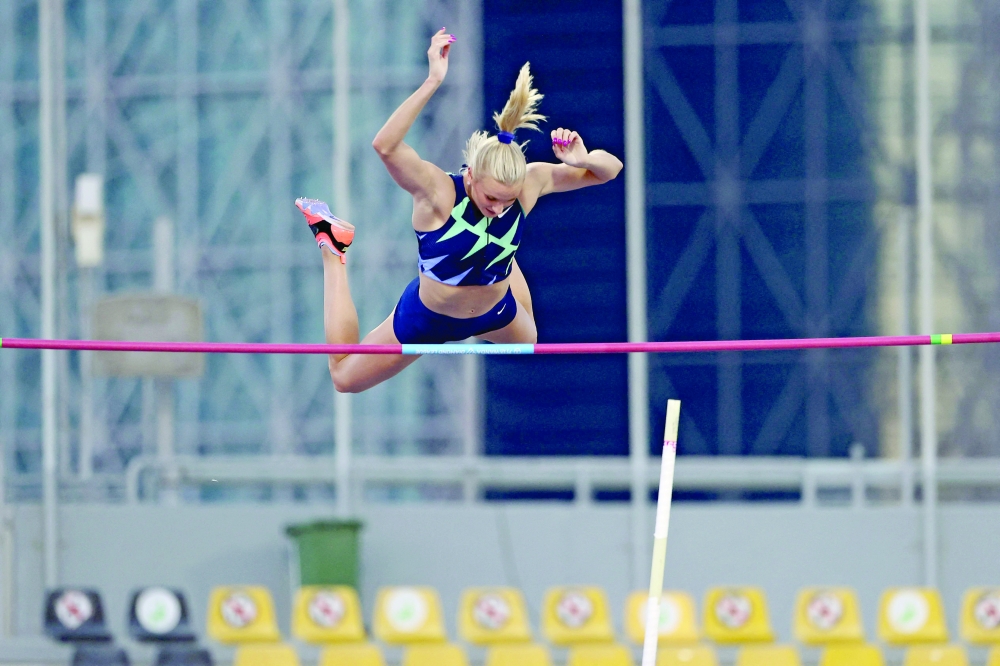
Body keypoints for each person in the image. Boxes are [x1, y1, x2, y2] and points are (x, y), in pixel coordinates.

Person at [296, 28, 623, 393]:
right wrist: (433, 81)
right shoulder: (437, 192)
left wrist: (583, 157)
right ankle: (333, 249)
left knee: (530, 341)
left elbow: (610, 171)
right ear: (471, 176)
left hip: (495, 313)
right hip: (428, 319)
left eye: (509, 200)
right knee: (344, 378)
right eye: (492, 198)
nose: (499, 208)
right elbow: (385, 146)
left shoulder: (529, 183)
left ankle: (499, 258)